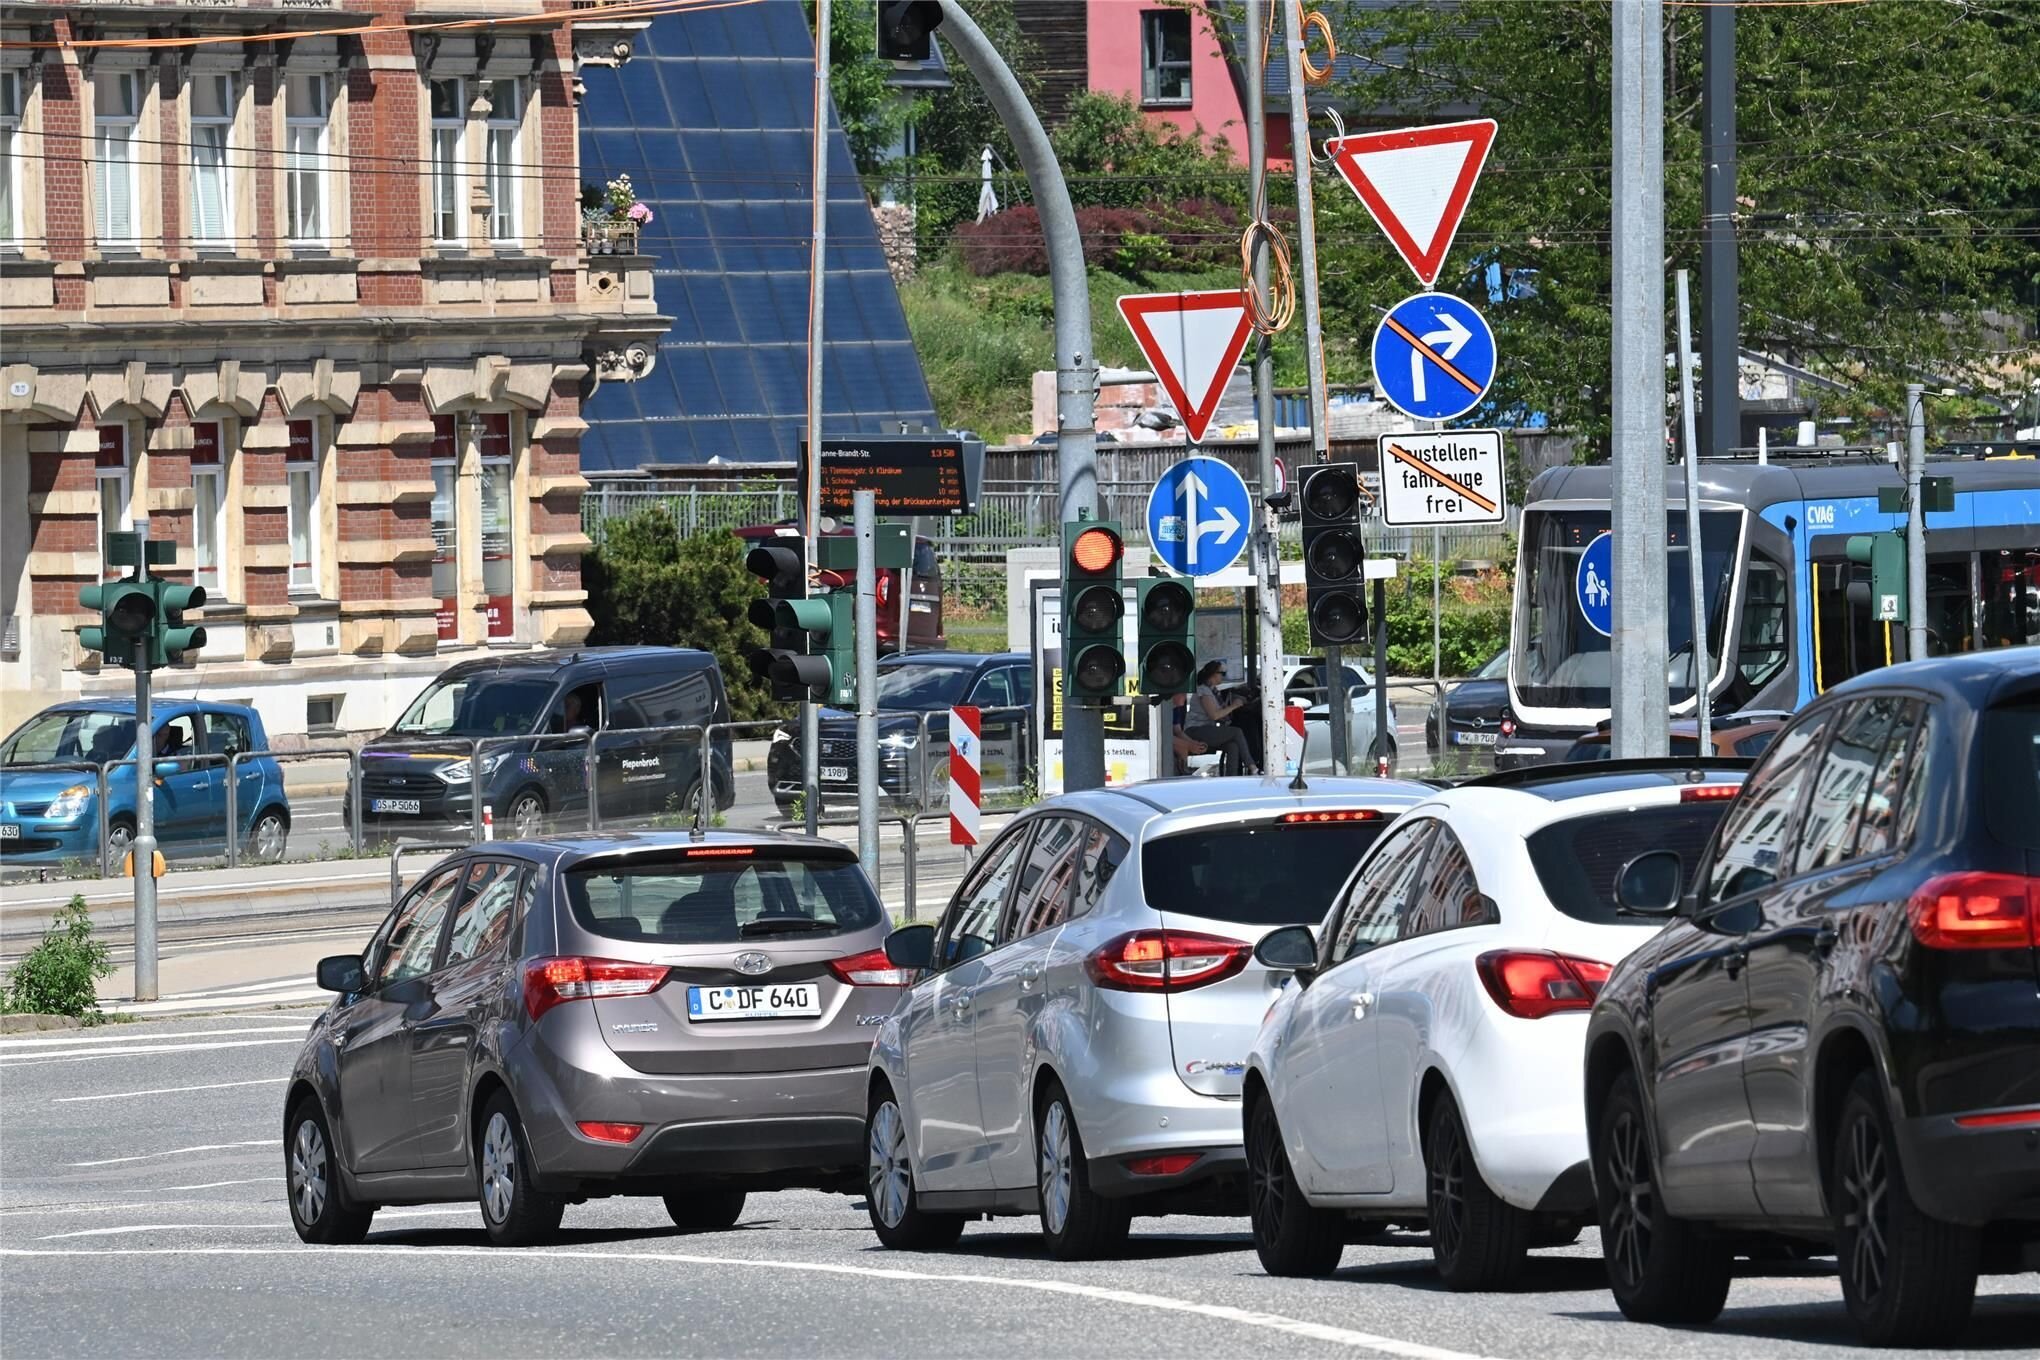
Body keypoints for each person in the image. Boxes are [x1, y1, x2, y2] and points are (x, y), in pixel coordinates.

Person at [1189, 661, 1255, 775]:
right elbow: (1214, 715)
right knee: (1236, 732)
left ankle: (1231, 777)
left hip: (1207, 730)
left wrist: (1230, 706)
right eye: (1222, 673)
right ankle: (1252, 766)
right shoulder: (1203, 691)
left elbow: (1220, 714)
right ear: (1213, 674)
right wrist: (1234, 706)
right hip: (1196, 730)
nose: (1223, 676)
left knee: (1232, 745)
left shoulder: (1212, 691)